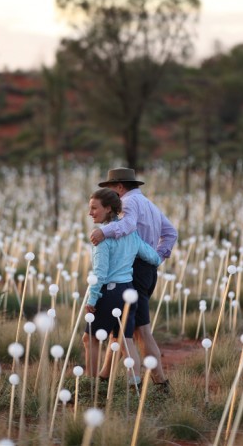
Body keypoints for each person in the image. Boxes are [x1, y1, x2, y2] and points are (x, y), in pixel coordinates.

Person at [89, 167, 177, 390]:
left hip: (134, 270)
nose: (112, 195)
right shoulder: (148, 204)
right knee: (122, 329)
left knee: (139, 331)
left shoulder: (128, 203)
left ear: (119, 187)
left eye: (111, 189)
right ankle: (104, 377)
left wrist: (103, 232)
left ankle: (160, 383)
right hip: (146, 269)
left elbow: (127, 227)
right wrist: (157, 257)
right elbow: (171, 232)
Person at [84, 187, 160, 387]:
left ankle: (89, 385)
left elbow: (100, 273)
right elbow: (152, 256)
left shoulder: (102, 239)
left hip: (110, 293)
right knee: (126, 341)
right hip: (129, 291)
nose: (90, 212)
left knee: (89, 338)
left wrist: (92, 299)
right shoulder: (131, 234)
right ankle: (133, 384)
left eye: (94, 208)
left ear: (108, 208)